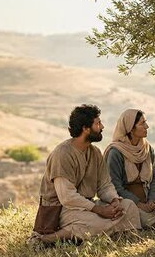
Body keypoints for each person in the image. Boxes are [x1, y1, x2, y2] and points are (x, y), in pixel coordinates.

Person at [29, 104, 141, 246]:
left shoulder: (95, 153)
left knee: (129, 206)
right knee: (96, 222)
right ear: (85, 128)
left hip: (87, 206)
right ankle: (48, 239)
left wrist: (114, 201)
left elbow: (104, 184)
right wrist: (99, 210)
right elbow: (67, 197)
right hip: (63, 209)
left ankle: (90, 233)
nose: (102, 127)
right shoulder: (62, 154)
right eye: (98, 123)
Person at [105, 109, 155, 228]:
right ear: (130, 128)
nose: (147, 126)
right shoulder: (116, 153)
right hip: (126, 202)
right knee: (153, 222)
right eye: (142, 123)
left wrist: (152, 200)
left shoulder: (147, 148)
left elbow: (154, 177)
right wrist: (138, 204)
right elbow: (115, 186)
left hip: (147, 201)